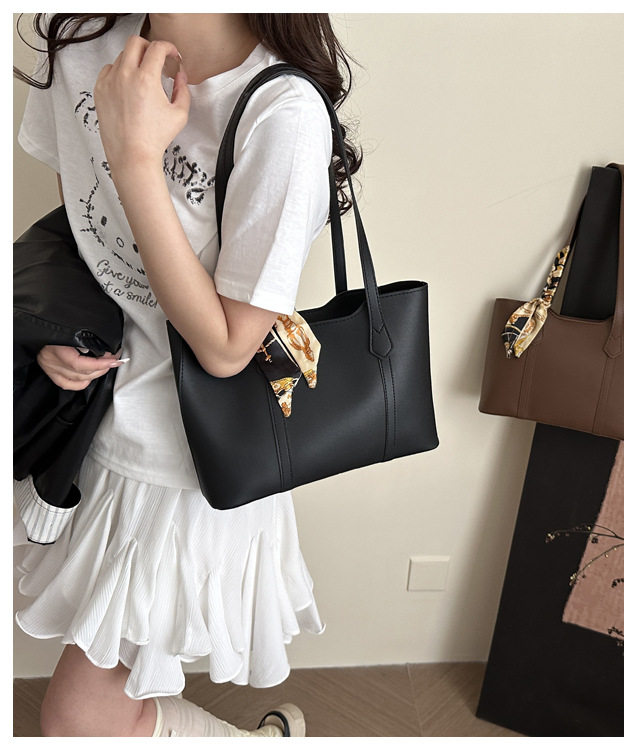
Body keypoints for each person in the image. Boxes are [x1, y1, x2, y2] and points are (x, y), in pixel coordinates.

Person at [13, 12, 361, 737]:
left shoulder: (281, 112)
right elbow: (83, 232)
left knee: (81, 720)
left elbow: (229, 347)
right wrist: (54, 335)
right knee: (95, 714)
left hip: (184, 461)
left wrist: (137, 157)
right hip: (79, 421)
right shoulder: (82, 40)